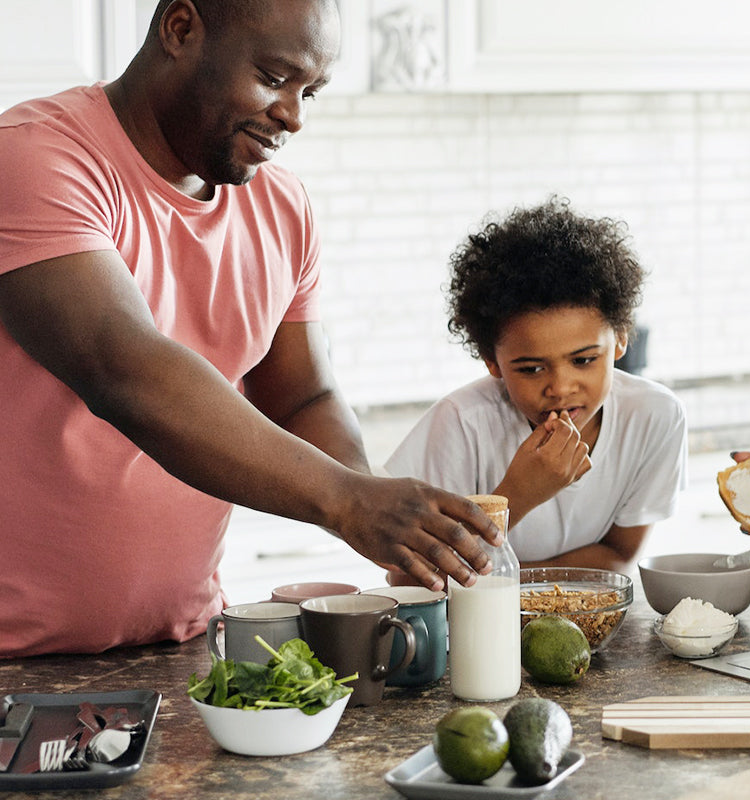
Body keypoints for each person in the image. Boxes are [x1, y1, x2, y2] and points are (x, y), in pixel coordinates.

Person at [0, 0, 499, 659]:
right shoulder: (35, 157)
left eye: (309, 92)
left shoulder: (281, 205)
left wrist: (379, 513)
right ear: (180, 29)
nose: (293, 115)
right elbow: (121, 368)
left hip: (183, 644)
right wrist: (347, 502)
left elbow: (303, 398)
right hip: (14, 664)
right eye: (273, 77)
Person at [385, 197, 688, 573]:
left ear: (621, 338)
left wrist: (506, 579)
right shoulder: (462, 424)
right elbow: (408, 576)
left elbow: (619, 555)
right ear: (491, 360)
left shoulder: (654, 416)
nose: (560, 388)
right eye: (530, 369)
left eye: (583, 360)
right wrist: (519, 494)